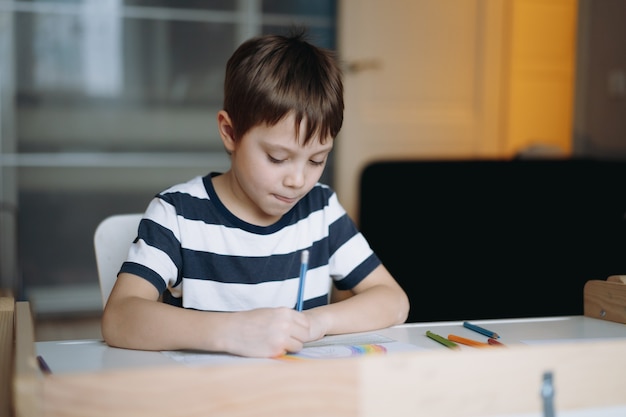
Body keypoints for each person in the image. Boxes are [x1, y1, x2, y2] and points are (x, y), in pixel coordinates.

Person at [101, 29, 410, 358]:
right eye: (278, 158)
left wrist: (314, 322)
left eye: (317, 160)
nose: (298, 179)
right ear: (230, 133)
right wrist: (233, 331)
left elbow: (393, 300)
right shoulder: (177, 215)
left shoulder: (321, 211)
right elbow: (120, 317)